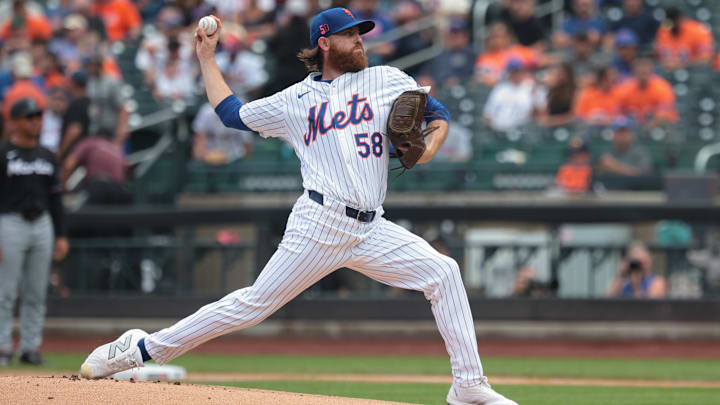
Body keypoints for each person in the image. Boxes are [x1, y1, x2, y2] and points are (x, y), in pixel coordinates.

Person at [80, 9, 518, 405]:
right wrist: (207, 60)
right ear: (325, 43)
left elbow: (437, 114)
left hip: (372, 228)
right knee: (251, 307)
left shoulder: (386, 78)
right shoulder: (294, 101)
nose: (360, 41)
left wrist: (427, 149)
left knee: (444, 273)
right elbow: (232, 114)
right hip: (319, 223)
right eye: (350, 35)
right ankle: (140, 349)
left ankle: (468, 385)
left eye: (362, 34)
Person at [0, 98, 69, 367]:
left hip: (42, 223)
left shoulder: (47, 156)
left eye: (38, 116)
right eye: (30, 117)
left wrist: (61, 234)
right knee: (5, 291)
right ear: (15, 121)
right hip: (9, 222)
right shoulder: (4, 154)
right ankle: (3, 347)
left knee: (36, 293)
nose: (36, 121)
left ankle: (30, 348)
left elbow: (56, 199)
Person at [482, 58, 542, 133]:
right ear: (508, 73)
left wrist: (535, 96)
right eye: (513, 72)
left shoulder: (530, 87)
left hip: (521, 132)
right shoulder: (500, 89)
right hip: (498, 132)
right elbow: (487, 115)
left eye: (518, 71)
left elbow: (539, 114)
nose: (516, 74)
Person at [654, 7, 713, 71]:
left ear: (680, 19)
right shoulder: (663, 30)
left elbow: (706, 59)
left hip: (691, 72)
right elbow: (657, 56)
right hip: (667, 73)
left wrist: (680, 64)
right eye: (669, 23)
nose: (672, 25)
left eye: (674, 21)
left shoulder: (697, 30)